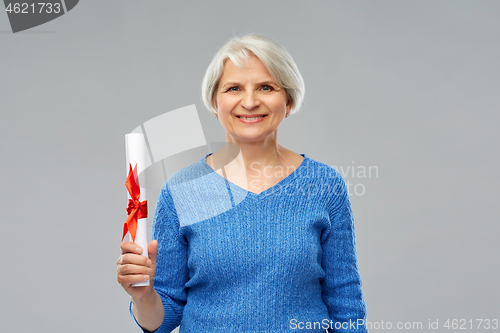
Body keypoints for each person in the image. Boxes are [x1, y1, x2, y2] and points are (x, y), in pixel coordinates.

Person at [117, 34, 368, 333]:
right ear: (215, 102)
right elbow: (163, 318)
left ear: (287, 100)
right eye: (234, 88)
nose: (250, 102)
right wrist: (144, 297)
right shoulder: (181, 191)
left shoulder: (324, 185)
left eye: (266, 87)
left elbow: (346, 307)